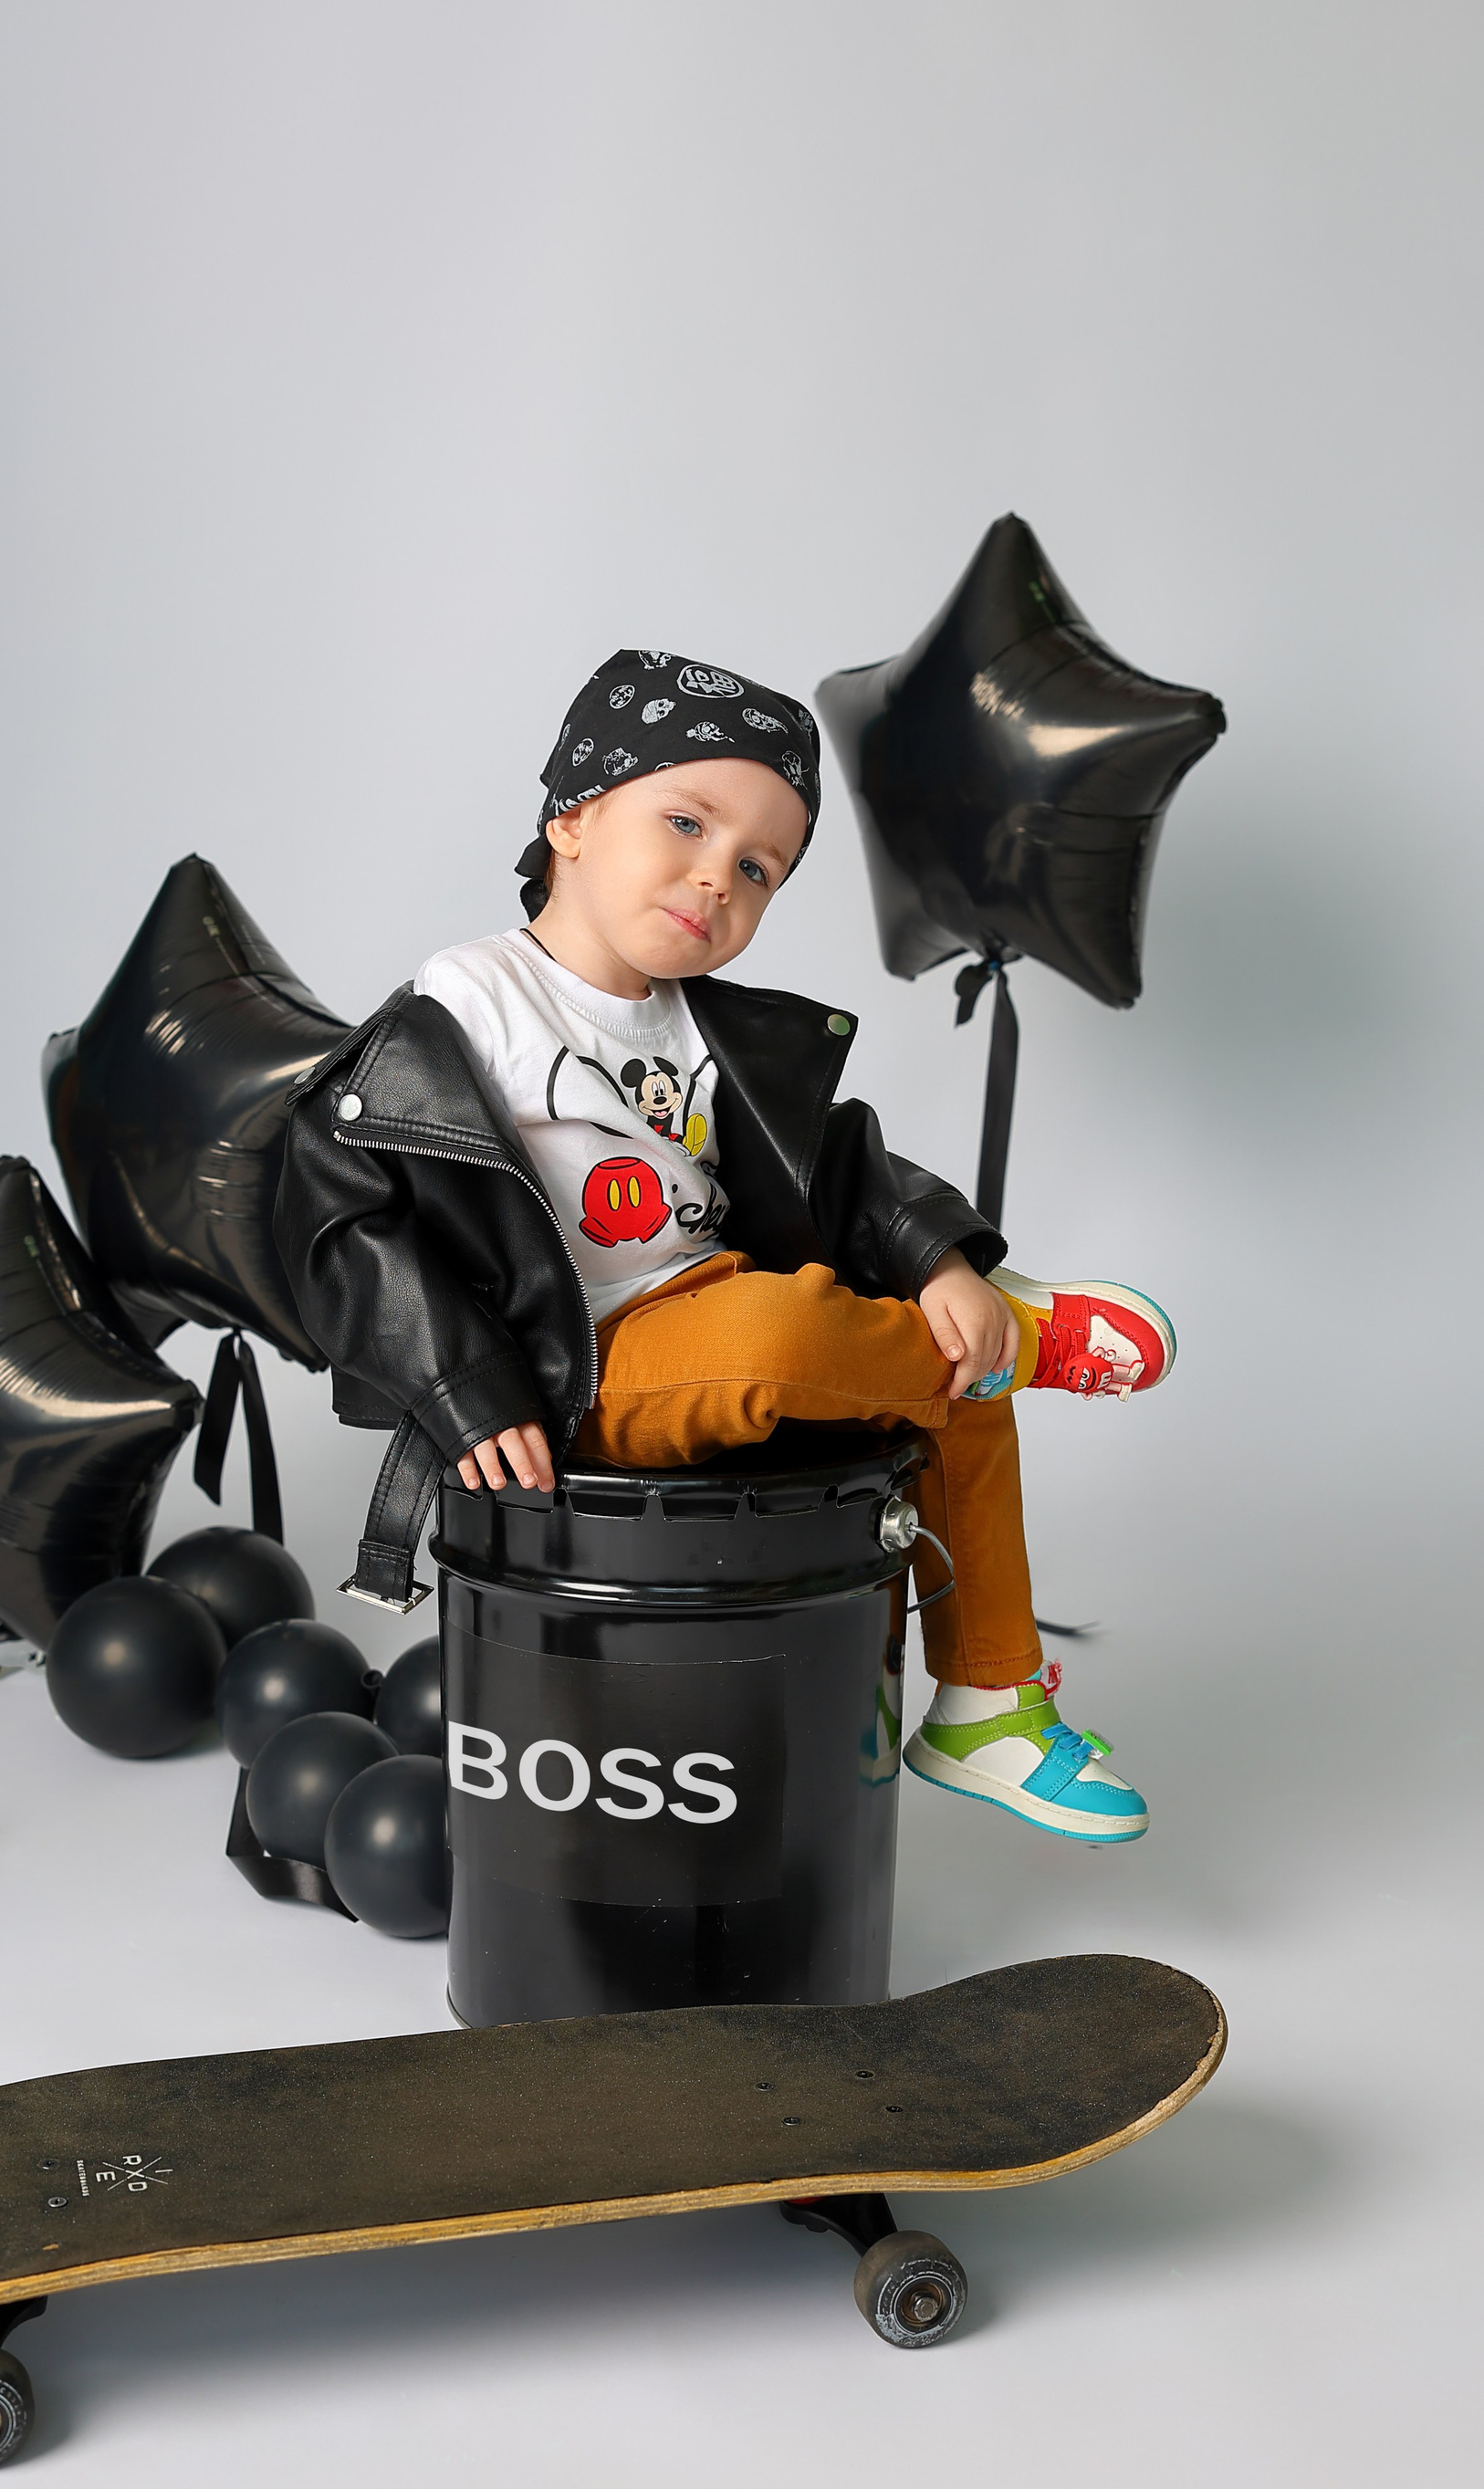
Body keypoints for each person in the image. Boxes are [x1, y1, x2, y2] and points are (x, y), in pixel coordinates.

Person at [274, 651, 1175, 1845]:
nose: (718, 877)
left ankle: (990, 1700)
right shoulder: (473, 1001)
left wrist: (939, 1260)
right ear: (573, 819)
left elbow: (840, 1165)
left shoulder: (708, 1027)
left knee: (953, 1374)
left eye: (758, 869)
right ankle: (1010, 1337)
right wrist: (460, 1384)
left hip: (726, 1301)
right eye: (687, 823)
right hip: (583, 1360)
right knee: (794, 1335)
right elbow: (342, 1216)